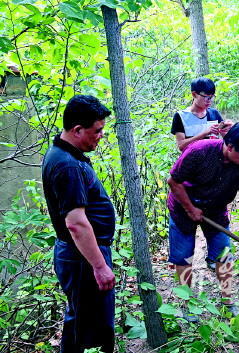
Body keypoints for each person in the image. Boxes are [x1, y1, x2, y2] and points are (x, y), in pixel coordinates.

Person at [166, 122, 239, 321]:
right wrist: (191, 209)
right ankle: (187, 304)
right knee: (184, 257)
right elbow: (173, 181)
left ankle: (228, 302)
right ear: (229, 146)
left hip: (216, 211)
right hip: (183, 208)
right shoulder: (199, 151)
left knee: (224, 256)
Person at [41, 95, 115, 353]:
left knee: (83, 321)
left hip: (81, 254)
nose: (101, 136)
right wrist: (100, 266)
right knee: (87, 325)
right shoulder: (66, 165)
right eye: (98, 131)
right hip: (82, 257)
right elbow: (76, 223)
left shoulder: (66, 154)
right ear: (77, 130)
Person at [171, 77, 233, 152]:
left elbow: (229, 142)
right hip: (192, 160)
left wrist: (231, 129)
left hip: (213, 160)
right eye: (206, 97)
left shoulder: (214, 114)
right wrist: (205, 133)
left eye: (212, 97)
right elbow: (181, 146)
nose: (209, 101)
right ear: (194, 94)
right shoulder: (181, 116)